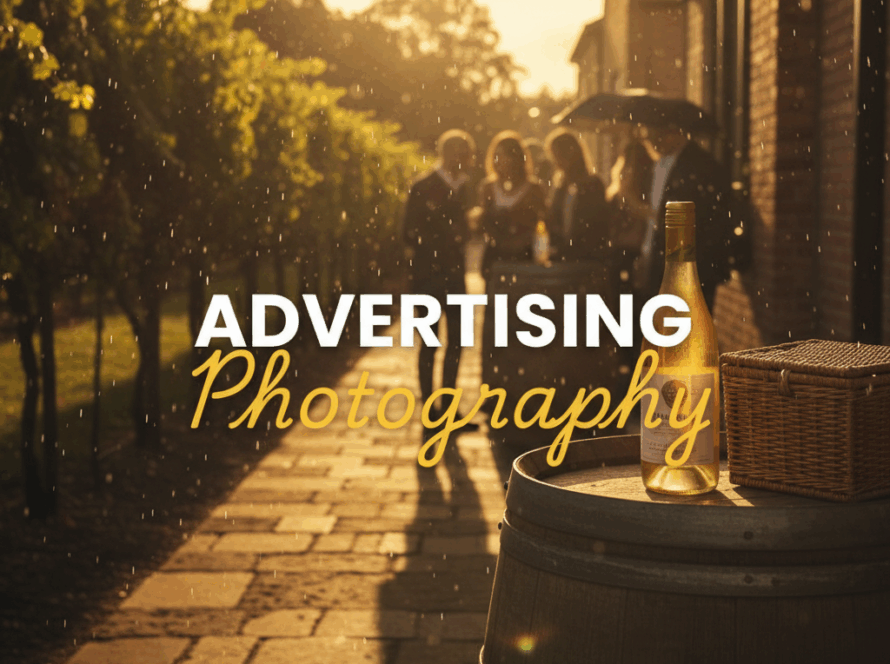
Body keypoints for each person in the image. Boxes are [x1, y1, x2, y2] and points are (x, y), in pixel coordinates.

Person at [402, 129, 480, 432]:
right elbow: (409, 232)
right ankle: (430, 411)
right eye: (464, 154)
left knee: (458, 342)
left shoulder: (464, 188)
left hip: (453, 276)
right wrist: (449, 235)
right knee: (430, 343)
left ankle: (447, 408)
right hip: (427, 277)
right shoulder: (423, 187)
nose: (467, 161)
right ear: (449, 154)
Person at [637, 124, 741, 312]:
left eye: (653, 137)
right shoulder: (664, 164)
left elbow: (690, 220)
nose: (650, 145)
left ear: (672, 133)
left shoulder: (698, 166)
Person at [478, 131, 547, 280]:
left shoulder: (534, 189)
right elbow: (484, 224)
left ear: (518, 158)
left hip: (524, 258)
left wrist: (522, 242)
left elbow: (542, 224)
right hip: (495, 258)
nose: (503, 160)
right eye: (498, 155)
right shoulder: (488, 187)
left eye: (508, 155)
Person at [544, 128, 610, 261]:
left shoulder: (593, 184)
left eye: (558, 155)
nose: (556, 161)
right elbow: (555, 222)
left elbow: (596, 225)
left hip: (588, 257)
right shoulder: (560, 187)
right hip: (563, 256)